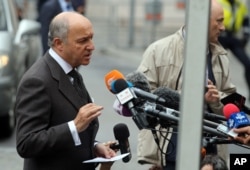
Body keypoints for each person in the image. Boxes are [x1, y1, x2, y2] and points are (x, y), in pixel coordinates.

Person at [137, 0, 236, 169]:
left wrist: (215, 99)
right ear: (201, 18)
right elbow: (142, 98)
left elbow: (234, 101)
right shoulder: (158, 51)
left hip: (210, 154)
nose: (223, 27)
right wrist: (190, 100)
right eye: (218, 21)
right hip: (170, 151)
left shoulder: (221, 56)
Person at [15, 11, 116, 170]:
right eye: (83, 40)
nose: (91, 46)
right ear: (59, 43)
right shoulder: (36, 81)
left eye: (91, 38)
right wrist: (74, 126)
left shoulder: (71, 71)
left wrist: (94, 147)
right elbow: (26, 143)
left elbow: (70, 132)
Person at [217, 0, 250, 101]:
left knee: (248, 64)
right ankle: (216, 92)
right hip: (219, 36)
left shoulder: (239, 5)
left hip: (232, 36)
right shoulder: (218, 2)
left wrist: (245, 36)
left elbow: (246, 21)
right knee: (217, 64)